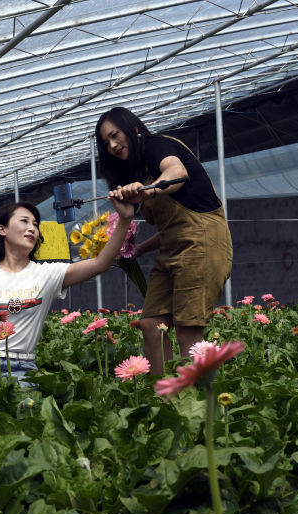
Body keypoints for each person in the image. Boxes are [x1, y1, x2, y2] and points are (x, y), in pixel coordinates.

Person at [0, 198, 133, 384]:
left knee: (24, 412)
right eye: (24, 221)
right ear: (2, 229)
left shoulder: (48, 274)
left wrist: (123, 221)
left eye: (35, 224)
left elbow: (100, 264)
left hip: (22, 366)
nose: (32, 228)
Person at [96, 106, 233, 375]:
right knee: (150, 325)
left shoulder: (156, 147)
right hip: (173, 249)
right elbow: (173, 228)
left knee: (187, 327)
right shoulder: (136, 172)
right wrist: (137, 250)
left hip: (203, 244)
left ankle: (195, 403)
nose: (112, 145)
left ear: (133, 128)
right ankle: (163, 396)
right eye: (106, 143)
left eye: (115, 135)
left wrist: (148, 191)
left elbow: (177, 171)